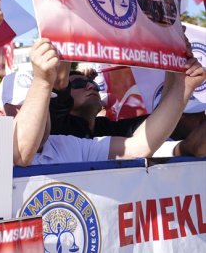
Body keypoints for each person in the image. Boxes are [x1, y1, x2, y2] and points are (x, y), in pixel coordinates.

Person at [12, 39, 205, 166]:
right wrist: (43, 81)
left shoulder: (68, 146)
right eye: (78, 83)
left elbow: (138, 147)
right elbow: (22, 152)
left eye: (92, 82)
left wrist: (182, 84)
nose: (90, 87)